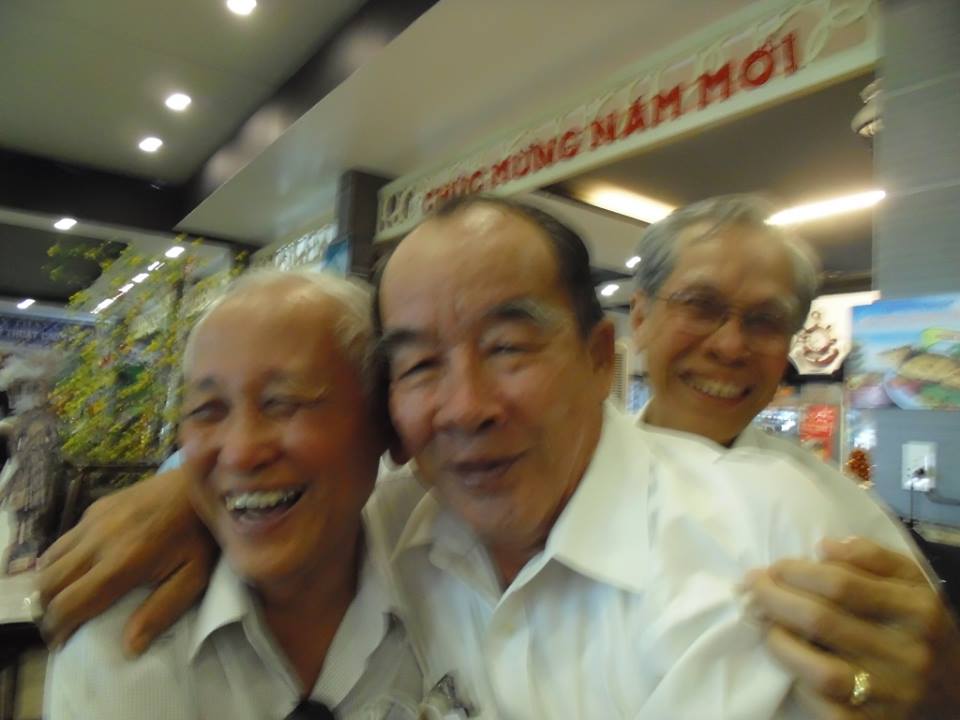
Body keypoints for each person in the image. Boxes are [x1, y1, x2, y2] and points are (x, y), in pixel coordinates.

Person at [37, 198, 952, 717]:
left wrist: (931, 694)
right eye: (419, 365)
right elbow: (289, 477)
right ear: (391, 415)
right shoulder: (397, 522)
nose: (466, 407)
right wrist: (190, 496)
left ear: (600, 359)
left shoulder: (774, 532)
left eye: (509, 347)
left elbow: (883, 684)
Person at [628, 194, 960, 719]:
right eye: (700, 305)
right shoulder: (561, 482)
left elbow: (917, 676)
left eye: (766, 320)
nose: (730, 346)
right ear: (641, 316)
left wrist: (937, 686)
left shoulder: (838, 511)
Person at [44, 271, 423, 719]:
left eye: (284, 402)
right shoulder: (115, 653)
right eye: (208, 410)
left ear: (384, 420)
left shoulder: (439, 563)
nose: (241, 452)